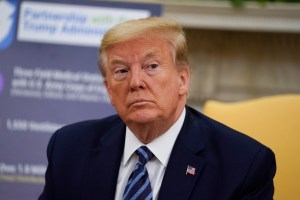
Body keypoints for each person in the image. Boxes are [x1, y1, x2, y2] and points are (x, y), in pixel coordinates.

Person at [38, 17, 276, 200]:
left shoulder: (243, 165)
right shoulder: (69, 148)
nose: (135, 82)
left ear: (182, 80)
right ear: (109, 89)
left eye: (151, 66)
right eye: (121, 71)